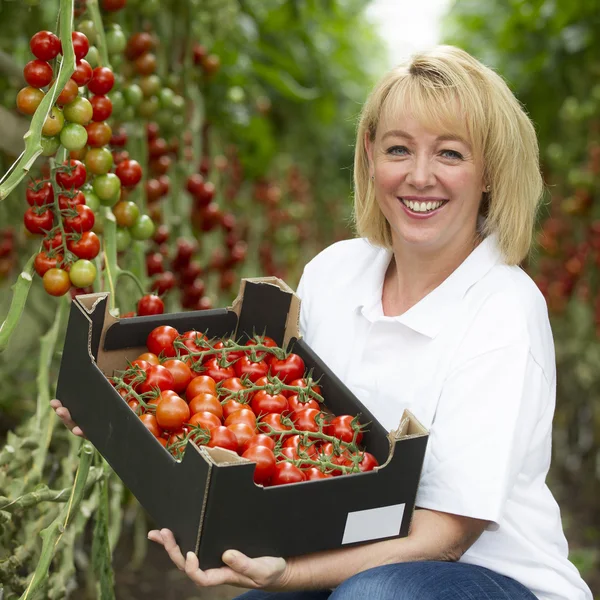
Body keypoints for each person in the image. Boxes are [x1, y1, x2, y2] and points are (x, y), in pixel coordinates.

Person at [52, 46, 593, 600]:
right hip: (343, 553)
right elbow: (271, 421)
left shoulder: (502, 311)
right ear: (370, 155)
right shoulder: (336, 272)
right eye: (399, 149)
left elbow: (447, 537)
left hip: (491, 577)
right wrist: (128, 418)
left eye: (451, 154)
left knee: (373, 598)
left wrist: (291, 576)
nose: (420, 176)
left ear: (490, 174)